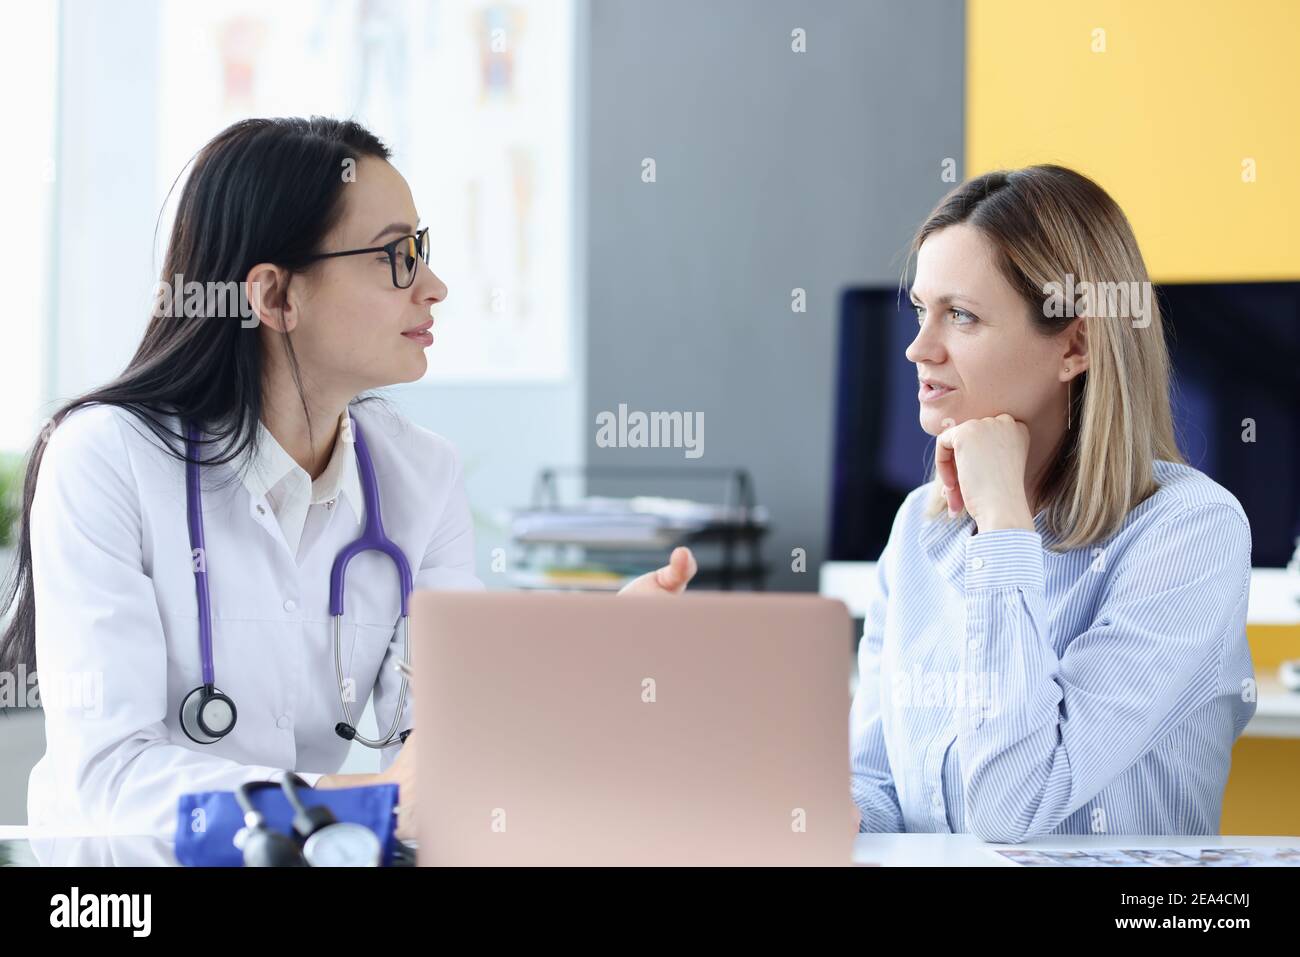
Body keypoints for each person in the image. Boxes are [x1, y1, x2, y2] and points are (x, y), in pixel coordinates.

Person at [0, 116, 696, 837]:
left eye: (421, 251)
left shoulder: (419, 473)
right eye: (396, 256)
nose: (434, 287)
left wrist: (602, 662)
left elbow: (448, 735)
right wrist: (361, 799)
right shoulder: (105, 461)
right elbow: (111, 782)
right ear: (274, 298)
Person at [850, 165, 1255, 842]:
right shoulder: (918, 527)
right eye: (922, 309)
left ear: (1075, 343)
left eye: (962, 316)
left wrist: (1004, 526)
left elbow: (1014, 808)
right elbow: (879, 782)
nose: (918, 347)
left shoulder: (1191, 532)